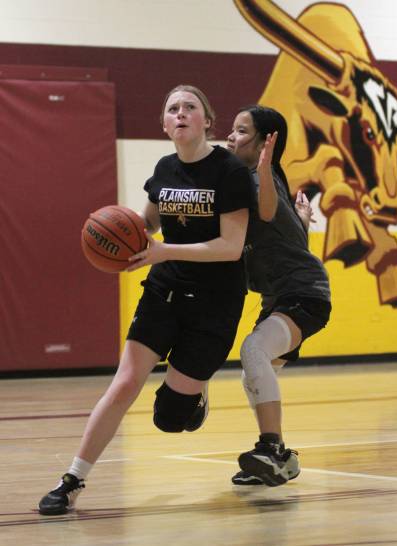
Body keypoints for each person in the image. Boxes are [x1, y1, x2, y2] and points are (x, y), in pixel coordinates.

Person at [38, 85, 255, 515]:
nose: (180, 114)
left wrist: (162, 250)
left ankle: (194, 391)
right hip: (165, 288)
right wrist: (113, 232)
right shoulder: (164, 169)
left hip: (215, 300)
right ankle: (72, 480)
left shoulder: (228, 171)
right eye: (172, 108)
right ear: (163, 124)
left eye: (190, 107)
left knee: (169, 419)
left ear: (207, 120)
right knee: (123, 384)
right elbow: (147, 224)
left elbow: (231, 246)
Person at [225, 105, 331, 486]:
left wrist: (265, 168)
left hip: (305, 293)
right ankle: (279, 460)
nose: (230, 136)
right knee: (253, 374)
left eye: (240, 131)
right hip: (279, 297)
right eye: (231, 129)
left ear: (265, 142)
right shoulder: (265, 182)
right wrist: (301, 219)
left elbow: (266, 213)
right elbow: (290, 235)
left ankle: (270, 448)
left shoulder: (261, 180)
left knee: (253, 351)